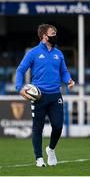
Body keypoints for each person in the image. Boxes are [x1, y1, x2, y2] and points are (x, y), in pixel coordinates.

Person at [16, 24, 75, 167]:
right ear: (44, 36)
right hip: (39, 96)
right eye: (52, 33)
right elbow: (20, 70)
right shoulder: (33, 52)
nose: (55, 35)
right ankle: (39, 158)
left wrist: (69, 80)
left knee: (58, 126)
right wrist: (19, 88)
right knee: (38, 128)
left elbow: (64, 71)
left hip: (56, 95)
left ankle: (51, 149)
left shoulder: (59, 53)